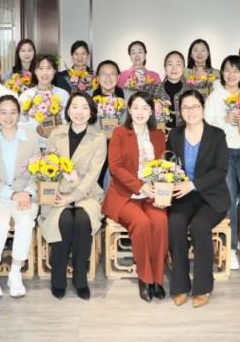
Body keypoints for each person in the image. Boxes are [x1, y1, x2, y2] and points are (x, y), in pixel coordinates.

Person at [102, 92, 168, 302]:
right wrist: (140, 186)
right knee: (141, 223)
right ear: (129, 110)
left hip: (152, 196)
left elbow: (163, 167)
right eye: (136, 107)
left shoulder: (158, 135)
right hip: (125, 195)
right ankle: (145, 278)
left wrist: (158, 189)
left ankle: (157, 278)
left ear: (151, 112)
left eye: (145, 108)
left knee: (160, 222)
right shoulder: (120, 133)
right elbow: (115, 168)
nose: (140, 112)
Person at [41, 92, 107, 300]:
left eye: (85, 107)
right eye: (75, 106)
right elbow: (47, 168)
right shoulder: (56, 134)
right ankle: (58, 279)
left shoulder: (99, 138)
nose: (79, 112)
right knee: (64, 220)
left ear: (91, 112)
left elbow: (93, 175)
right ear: (68, 110)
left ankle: (80, 279)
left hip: (86, 193)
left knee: (82, 220)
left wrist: (72, 197)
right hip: (58, 192)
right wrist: (57, 193)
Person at [167, 90, 229, 308]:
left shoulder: (217, 135)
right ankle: (180, 285)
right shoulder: (175, 135)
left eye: (195, 106)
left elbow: (220, 170)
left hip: (211, 196)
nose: (190, 111)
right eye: (185, 107)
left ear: (203, 108)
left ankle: (203, 287)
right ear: (180, 111)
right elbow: (170, 165)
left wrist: (193, 184)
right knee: (175, 223)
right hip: (183, 196)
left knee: (199, 226)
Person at [0, 95, 41, 299]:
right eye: (3, 112)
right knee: (1, 224)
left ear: (19, 114)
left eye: (13, 112)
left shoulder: (31, 137)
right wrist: (12, 194)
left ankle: (15, 272)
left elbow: (37, 170)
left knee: (25, 222)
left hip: (25, 194)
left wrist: (28, 192)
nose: (8, 117)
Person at [204, 55, 240, 270]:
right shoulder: (215, 97)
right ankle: (232, 246)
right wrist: (224, 121)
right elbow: (207, 125)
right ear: (222, 72)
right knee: (228, 198)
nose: (231, 74)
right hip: (224, 151)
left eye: (236, 71)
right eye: (227, 70)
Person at [18, 55, 70, 149]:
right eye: (40, 68)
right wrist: (36, 128)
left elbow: (68, 120)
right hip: (32, 145)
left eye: (49, 68)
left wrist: (59, 124)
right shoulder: (26, 95)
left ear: (54, 71)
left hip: (57, 145)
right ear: (35, 71)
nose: (45, 72)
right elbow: (19, 122)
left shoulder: (63, 94)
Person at [92, 60, 127, 190]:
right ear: (97, 77)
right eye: (104, 74)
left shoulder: (129, 97)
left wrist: (122, 130)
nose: (108, 78)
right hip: (94, 148)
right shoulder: (88, 97)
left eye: (112, 74)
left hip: (121, 147)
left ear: (118, 77)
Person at [150, 51, 190, 129]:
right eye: (170, 64)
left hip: (185, 133)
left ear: (183, 67)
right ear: (165, 67)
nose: (174, 68)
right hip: (160, 133)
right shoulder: (154, 90)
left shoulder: (191, 91)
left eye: (178, 64)